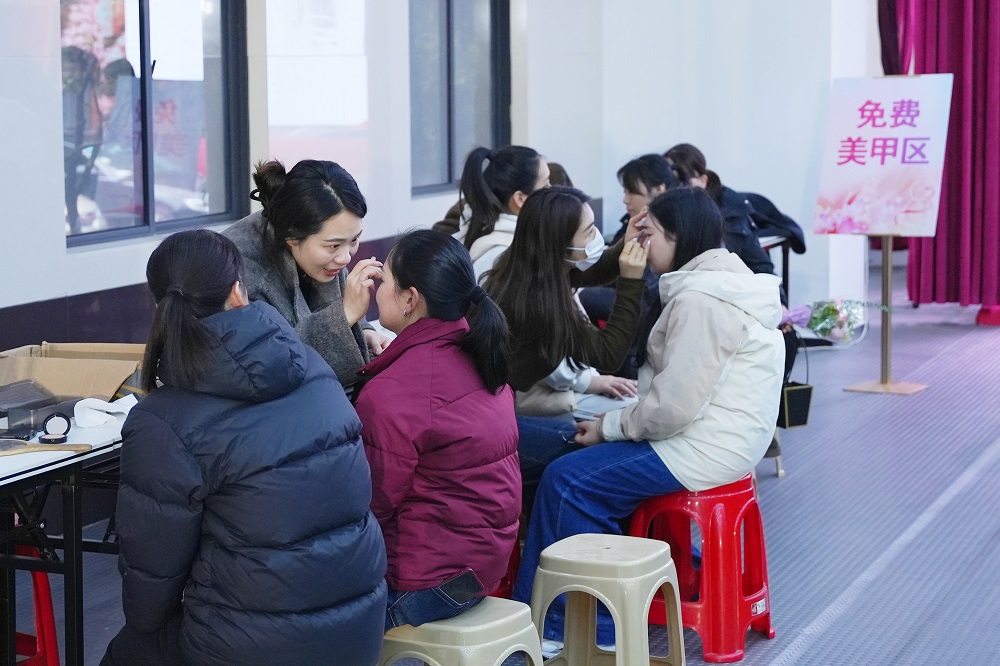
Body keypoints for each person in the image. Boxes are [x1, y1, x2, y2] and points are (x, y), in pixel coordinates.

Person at [511, 188, 785, 644]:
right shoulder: (726, 279)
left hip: (699, 445)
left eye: (650, 232)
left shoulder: (701, 302)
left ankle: (569, 628)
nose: (640, 241)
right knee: (580, 468)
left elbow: (672, 409)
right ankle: (627, 598)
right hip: (727, 440)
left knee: (568, 481)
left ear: (678, 237)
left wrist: (608, 428)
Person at [102, 230, 387, 666]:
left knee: (129, 651)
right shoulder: (313, 366)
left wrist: (148, 626)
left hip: (253, 647)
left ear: (160, 307)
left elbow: (151, 580)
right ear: (238, 292)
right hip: (361, 631)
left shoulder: (162, 421)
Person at [354, 230, 520, 630]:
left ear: (410, 299)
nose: (377, 291)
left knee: (304, 627)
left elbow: (368, 506)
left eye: (385, 281)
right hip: (480, 572)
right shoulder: (479, 353)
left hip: (427, 584)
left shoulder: (396, 391)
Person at [483, 186, 649, 506]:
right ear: (560, 245)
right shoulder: (538, 304)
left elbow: (586, 271)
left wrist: (625, 246)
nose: (597, 236)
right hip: (489, 423)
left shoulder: (525, 268)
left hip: (498, 407)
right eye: (590, 231)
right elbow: (609, 354)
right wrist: (631, 281)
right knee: (593, 454)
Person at [223, 159, 388, 395]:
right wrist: (345, 314)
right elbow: (272, 367)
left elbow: (346, 316)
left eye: (354, 240)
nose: (345, 258)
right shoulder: (241, 270)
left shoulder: (320, 245)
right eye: (333, 246)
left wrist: (365, 332)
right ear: (292, 238)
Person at [454, 145, 551, 279]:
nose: (552, 192)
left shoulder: (512, 240)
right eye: (546, 185)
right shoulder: (501, 254)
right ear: (520, 199)